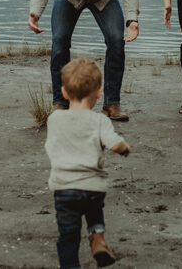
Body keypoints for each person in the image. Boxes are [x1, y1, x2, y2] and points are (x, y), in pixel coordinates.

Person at [29, 0, 139, 121]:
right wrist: (35, 12)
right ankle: (61, 103)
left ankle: (111, 104)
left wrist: (132, 20)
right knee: (60, 42)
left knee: (116, 41)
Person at [45, 57, 131, 268]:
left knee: (68, 235)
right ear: (99, 92)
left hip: (64, 187)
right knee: (94, 211)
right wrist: (124, 148)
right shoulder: (100, 120)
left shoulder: (54, 119)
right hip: (93, 186)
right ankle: (98, 237)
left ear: (64, 92)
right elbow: (114, 144)